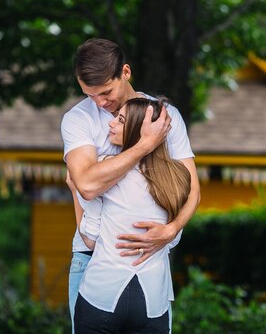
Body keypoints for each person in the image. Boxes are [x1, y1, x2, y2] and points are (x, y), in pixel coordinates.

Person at [61, 38, 200, 331]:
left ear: (125, 71)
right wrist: (144, 145)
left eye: (106, 92)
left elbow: (192, 190)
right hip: (91, 260)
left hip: (151, 262)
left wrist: (172, 230)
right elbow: (86, 186)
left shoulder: (166, 117)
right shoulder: (78, 119)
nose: (99, 103)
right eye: (90, 95)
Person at [72, 97, 190, 334]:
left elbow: (90, 239)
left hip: (102, 294)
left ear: (138, 130)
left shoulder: (104, 168)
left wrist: (75, 190)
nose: (111, 124)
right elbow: (173, 238)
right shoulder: (177, 178)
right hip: (153, 302)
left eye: (121, 120)